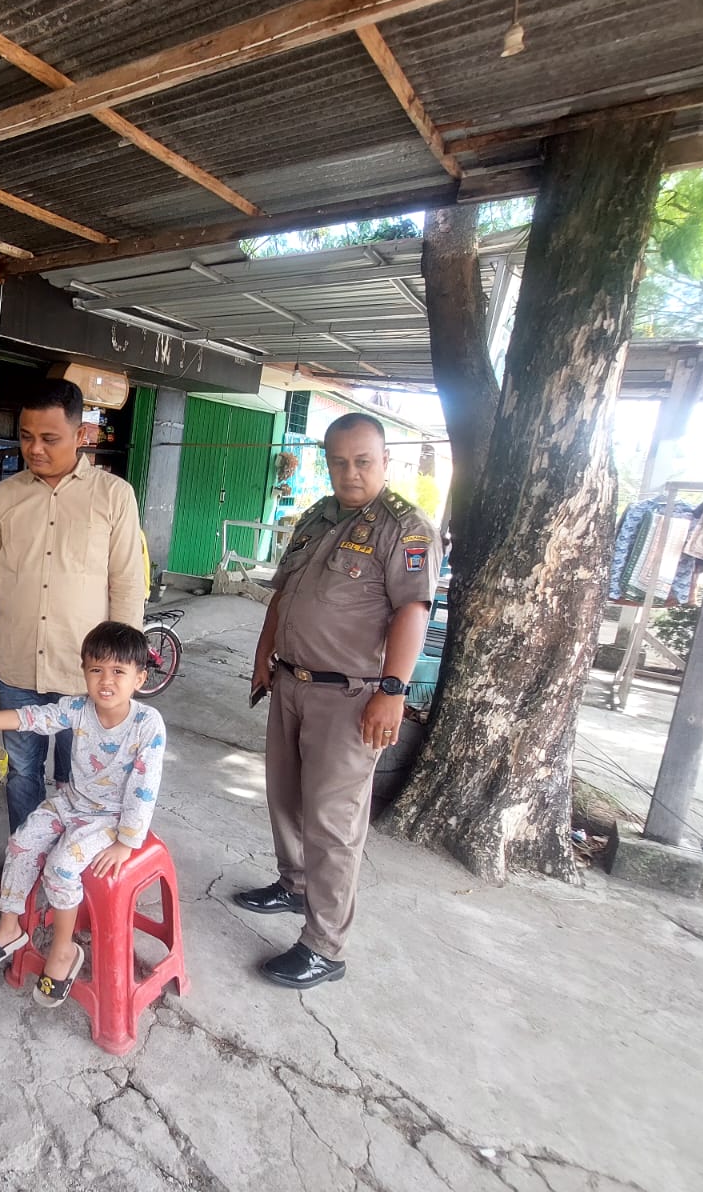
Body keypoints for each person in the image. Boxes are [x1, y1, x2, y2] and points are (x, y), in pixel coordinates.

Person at [236, 412, 440, 989]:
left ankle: (324, 944)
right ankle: (293, 884)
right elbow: (283, 596)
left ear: (384, 461)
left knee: (333, 820)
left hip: (352, 697)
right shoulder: (317, 516)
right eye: (339, 461)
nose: (350, 472)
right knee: (285, 798)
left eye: (363, 461)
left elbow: (412, 612)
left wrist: (393, 692)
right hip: (291, 683)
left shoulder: (405, 527)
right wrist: (262, 659)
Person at [0, 379, 146, 893]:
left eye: (50, 438)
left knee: (80, 781)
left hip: (84, 678)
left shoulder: (113, 496)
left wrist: (122, 675)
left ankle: (70, 874)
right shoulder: (3, 498)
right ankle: (25, 860)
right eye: (25, 437)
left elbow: (128, 586)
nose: (34, 449)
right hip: (17, 665)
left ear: (82, 434)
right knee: (21, 773)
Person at [0, 622, 165, 1006]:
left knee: (60, 867)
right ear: (84, 672)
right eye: (96, 670)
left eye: (118, 672)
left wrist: (127, 842)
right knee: (21, 842)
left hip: (111, 818)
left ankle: (63, 949)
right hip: (71, 801)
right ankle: (10, 927)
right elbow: (25, 718)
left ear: (139, 678)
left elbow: (145, 788)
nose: (106, 682)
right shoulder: (77, 708)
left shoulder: (147, 725)